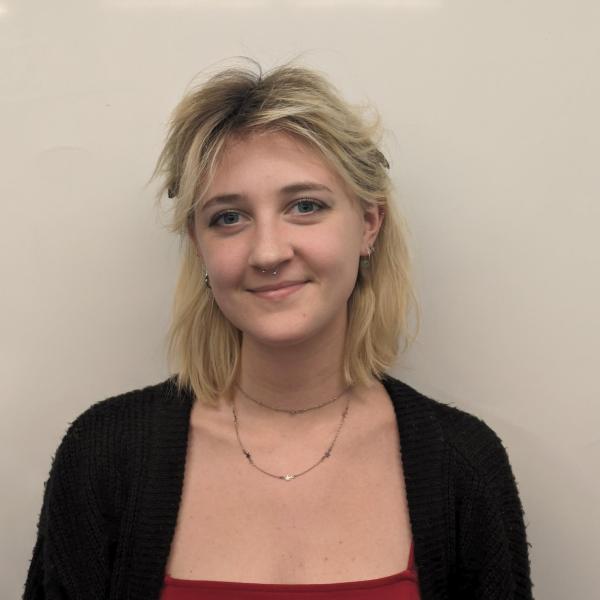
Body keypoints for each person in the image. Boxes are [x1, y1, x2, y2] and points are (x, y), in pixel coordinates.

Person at [24, 59, 533, 600]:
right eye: (228, 217)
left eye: (305, 206)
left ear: (368, 224)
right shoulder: (102, 457)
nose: (268, 252)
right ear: (199, 246)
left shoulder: (464, 464)